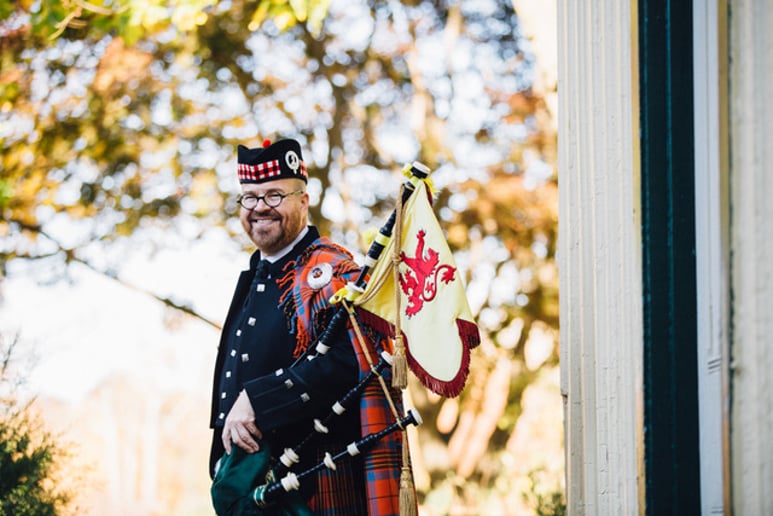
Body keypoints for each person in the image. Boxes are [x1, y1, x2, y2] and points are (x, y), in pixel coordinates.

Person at [209, 138, 405, 515]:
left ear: (304, 200)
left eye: (274, 195)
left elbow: (354, 361)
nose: (259, 207)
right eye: (249, 197)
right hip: (253, 492)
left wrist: (257, 400)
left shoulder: (331, 271)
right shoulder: (256, 276)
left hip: (315, 489)